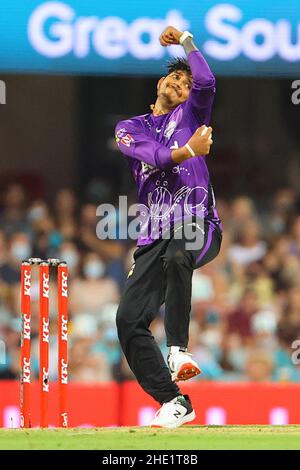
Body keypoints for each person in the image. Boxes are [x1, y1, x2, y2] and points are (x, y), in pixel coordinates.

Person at [115, 26, 222, 428]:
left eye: (186, 82)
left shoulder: (192, 113)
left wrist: (187, 41)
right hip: (152, 235)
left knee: (181, 252)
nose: (181, 84)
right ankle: (174, 401)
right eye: (175, 77)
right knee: (128, 320)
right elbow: (154, 156)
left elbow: (207, 81)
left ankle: (178, 348)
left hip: (199, 223)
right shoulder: (130, 126)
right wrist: (188, 150)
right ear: (160, 83)